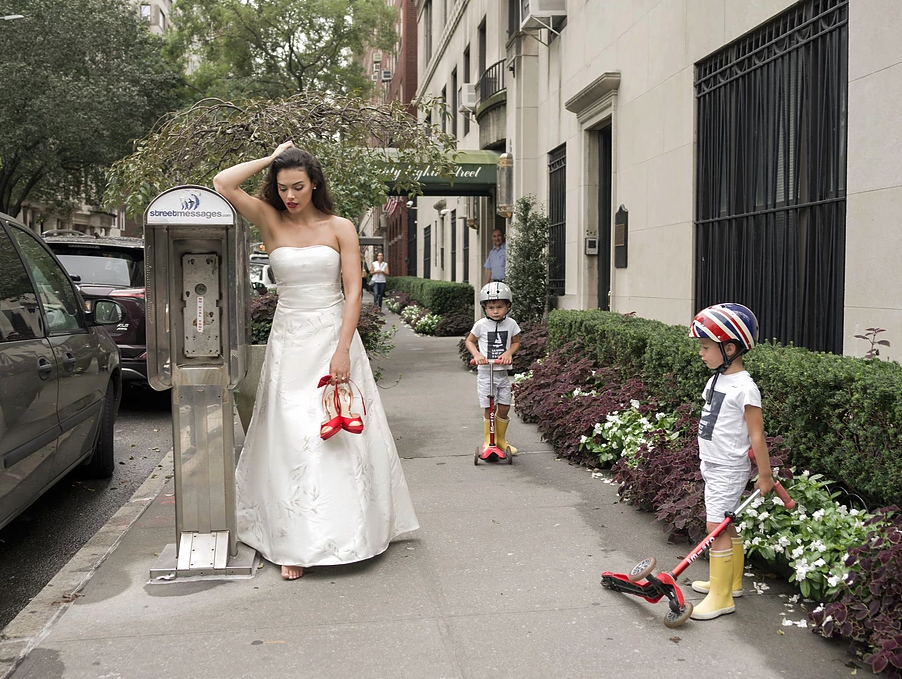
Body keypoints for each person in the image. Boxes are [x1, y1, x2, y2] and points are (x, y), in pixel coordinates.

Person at [213, 142, 419, 581]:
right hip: (289, 342)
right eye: (283, 187)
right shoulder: (269, 219)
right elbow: (223, 183)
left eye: (298, 186)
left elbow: (353, 291)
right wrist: (273, 157)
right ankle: (293, 541)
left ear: (315, 184)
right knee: (291, 436)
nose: (290, 195)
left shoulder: (340, 227)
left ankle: (355, 530)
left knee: (340, 436)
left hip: (332, 336)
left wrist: (343, 348)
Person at [687, 303, 775, 620]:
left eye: (706, 347)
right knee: (728, 523)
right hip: (713, 463)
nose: (701, 352)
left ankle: (721, 597)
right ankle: (730, 583)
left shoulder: (745, 388)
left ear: (729, 347)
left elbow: (757, 437)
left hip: (727, 467)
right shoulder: (717, 380)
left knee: (717, 526)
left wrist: (764, 476)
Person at [465, 282, 521, 454]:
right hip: (485, 373)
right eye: (491, 307)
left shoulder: (511, 324)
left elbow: (516, 342)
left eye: (499, 307)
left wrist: (509, 353)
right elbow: (470, 341)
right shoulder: (481, 325)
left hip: (502, 372)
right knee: (490, 407)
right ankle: (489, 441)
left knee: (504, 406)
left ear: (508, 306)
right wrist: (477, 355)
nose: (495, 311)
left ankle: (501, 440)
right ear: (485, 308)